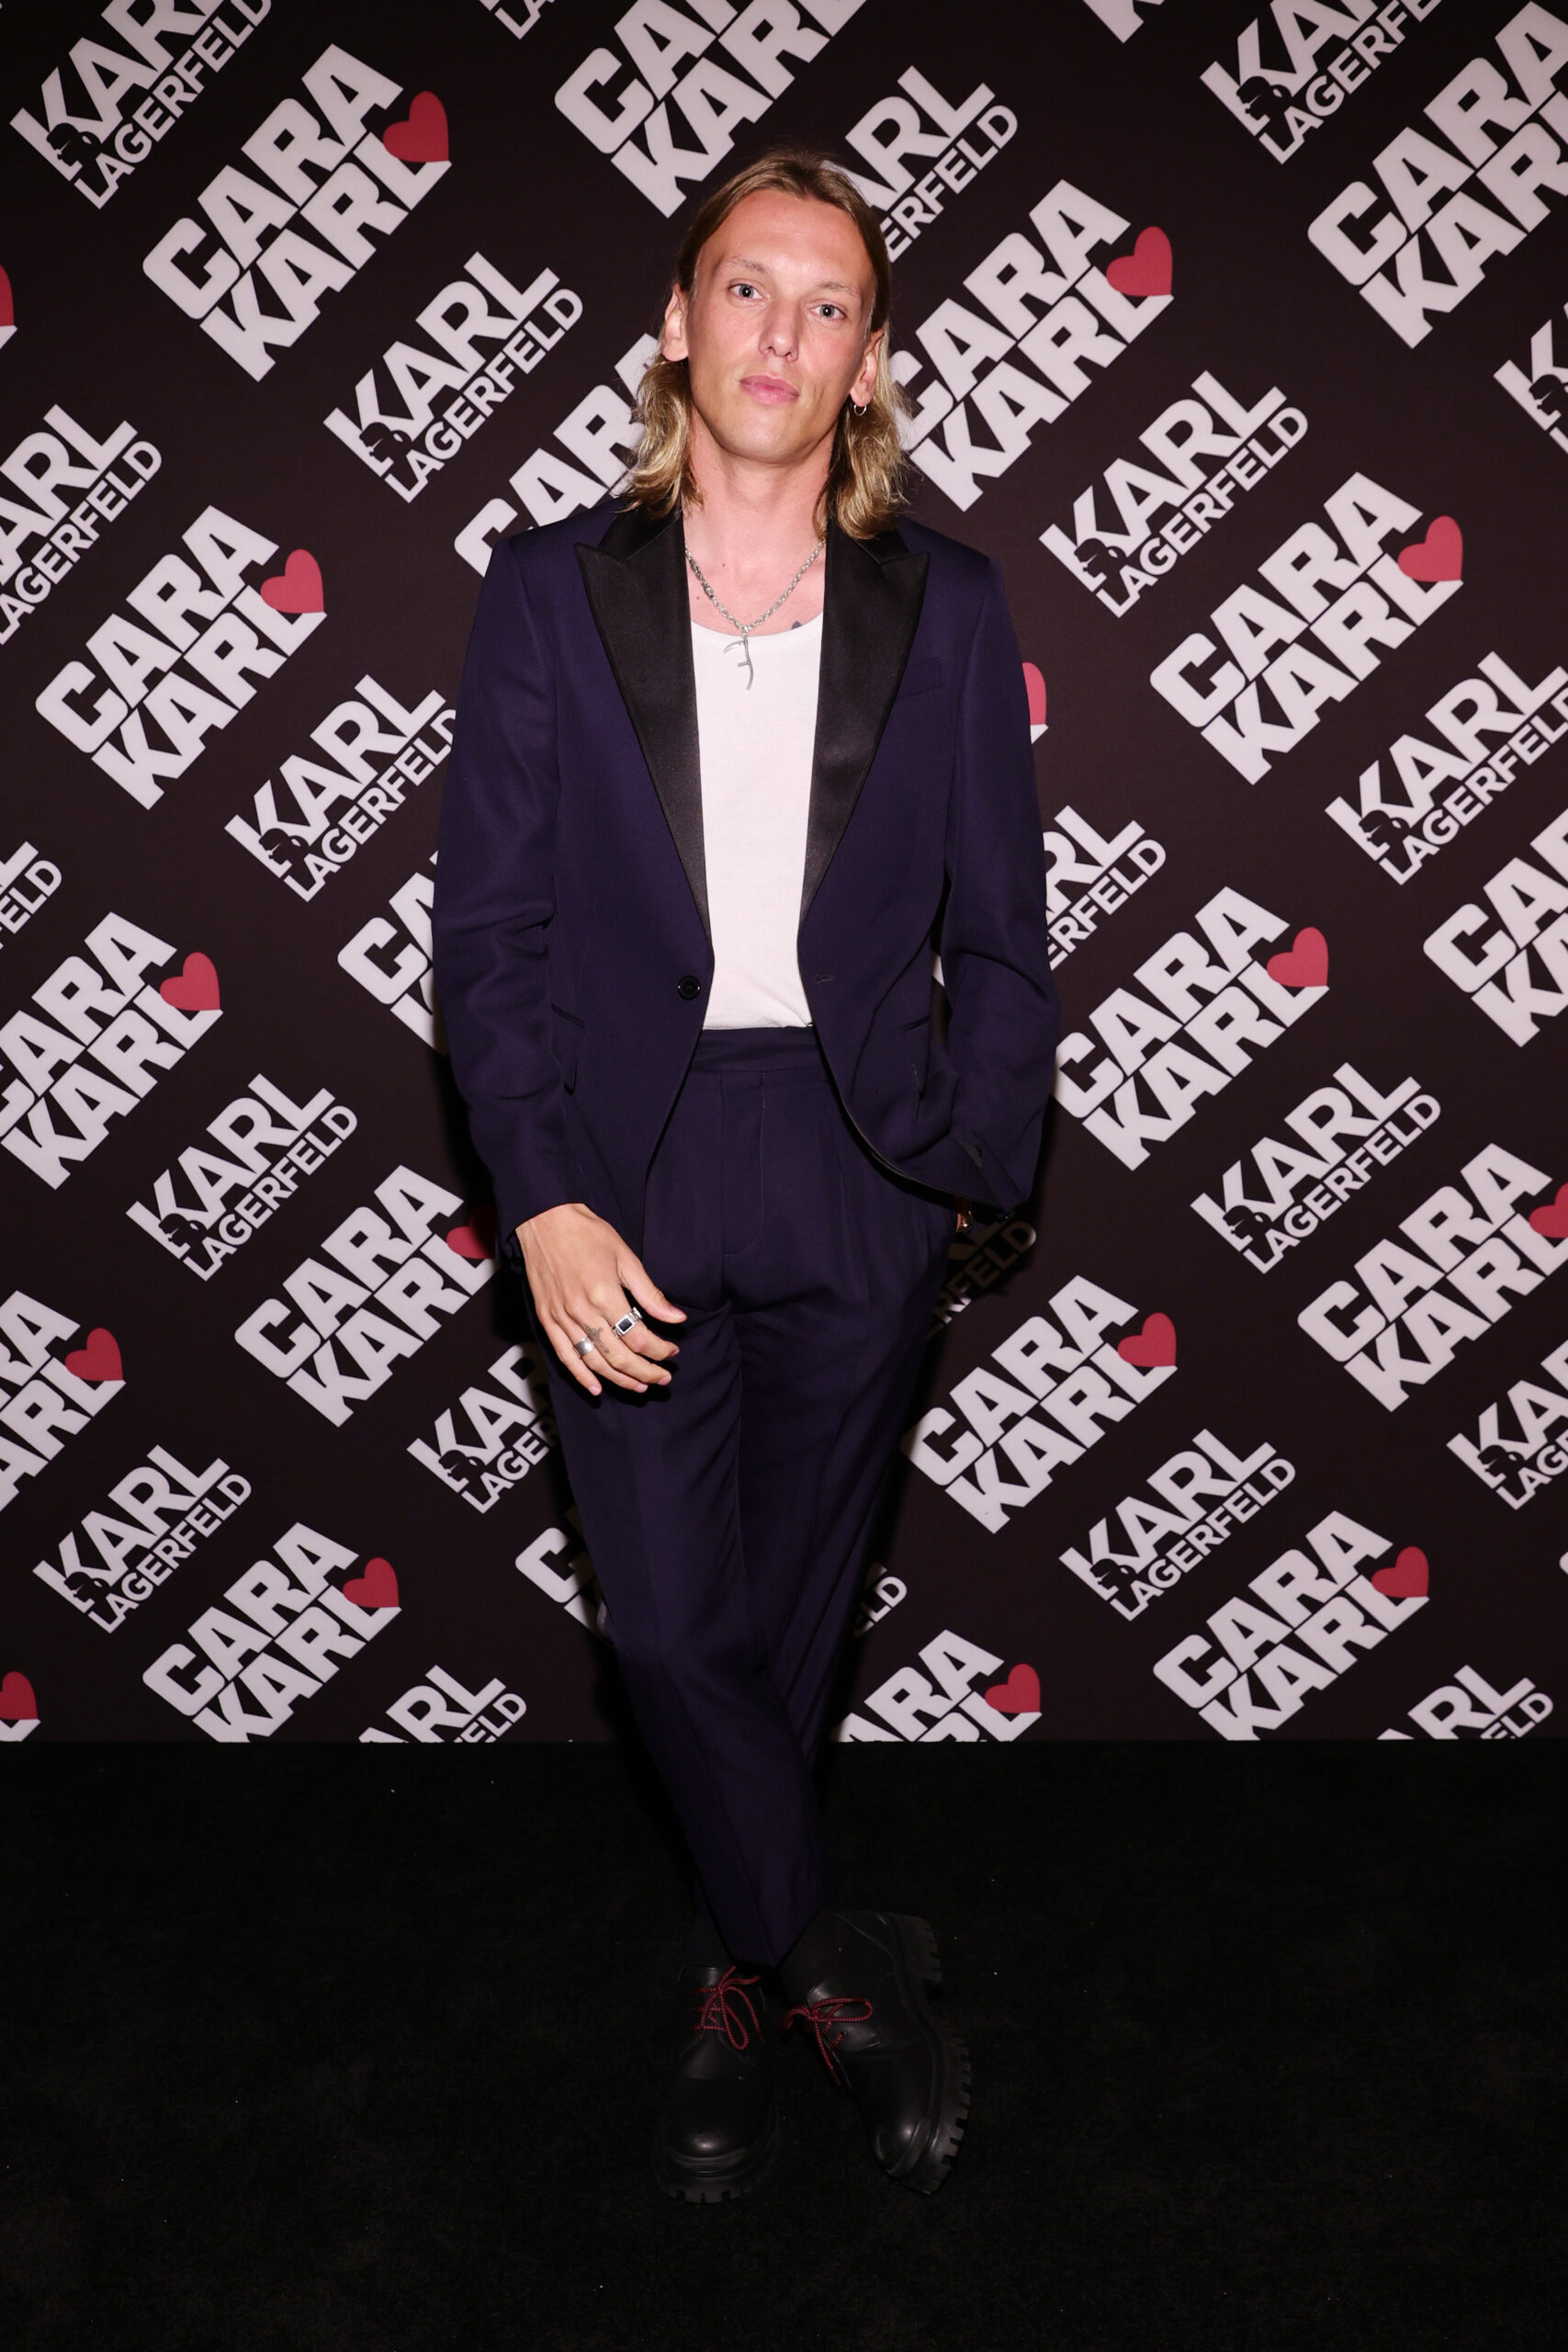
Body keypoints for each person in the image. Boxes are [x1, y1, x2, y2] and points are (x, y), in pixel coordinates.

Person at [434, 147, 1057, 2203]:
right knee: (669, 1627)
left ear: (868, 361)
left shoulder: (948, 604)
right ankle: (837, 1964)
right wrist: (540, 1194)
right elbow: (489, 937)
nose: (783, 331)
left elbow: (1005, 934)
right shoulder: (549, 591)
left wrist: (964, 1164)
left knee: (788, 1619)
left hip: (860, 1169)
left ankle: (728, 1977)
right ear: (676, 324)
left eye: (829, 302)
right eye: (747, 287)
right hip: (625, 1170)